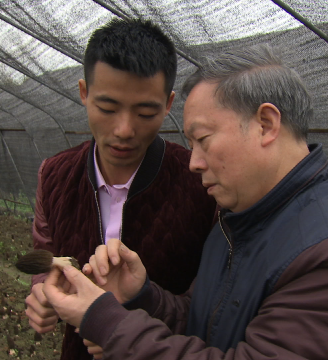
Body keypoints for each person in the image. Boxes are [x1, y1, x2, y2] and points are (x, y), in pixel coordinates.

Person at [42, 45, 328, 359]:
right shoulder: (240, 217)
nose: (193, 162)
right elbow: (208, 321)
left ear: (266, 124)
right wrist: (144, 297)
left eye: (203, 139)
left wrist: (106, 321)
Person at [24, 18, 217, 360]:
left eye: (145, 112)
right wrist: (43, 292)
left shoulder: (202, 184)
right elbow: (46, 254)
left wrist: (130, 326)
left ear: (168, 104)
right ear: (84, 93)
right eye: (107, 108)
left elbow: (209, 307)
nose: (125, 129)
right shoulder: (53, 175)